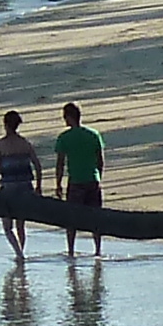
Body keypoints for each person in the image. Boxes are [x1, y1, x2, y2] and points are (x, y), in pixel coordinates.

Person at [53, 99, 107, 262]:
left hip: (76, 181)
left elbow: (60, 163)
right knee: (95, 218)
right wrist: (99, 176)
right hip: (92, 179)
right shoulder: (93, 134)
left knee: (72, 219)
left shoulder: (64, 137)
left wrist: (58, 184)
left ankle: (71, 251)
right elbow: (100, 160)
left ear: (69, 117)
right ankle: (97, 250)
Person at [0, 109, 41, 262]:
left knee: (7, 226)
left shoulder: (0, 145)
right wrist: (38, 186)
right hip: (25, 185)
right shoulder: (25, 143)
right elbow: (37, 165)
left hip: (9, 186)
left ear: (5, 125)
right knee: (20, 224)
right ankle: (21, 254)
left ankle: (19, 254)